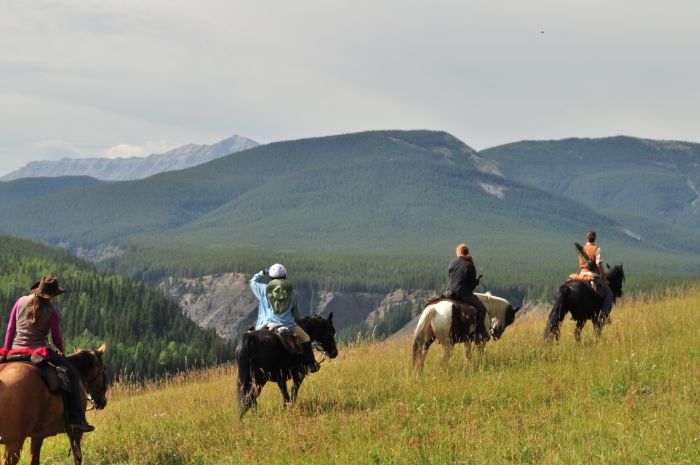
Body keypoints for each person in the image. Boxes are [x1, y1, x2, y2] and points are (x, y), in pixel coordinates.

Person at [3, 275, 95, 433]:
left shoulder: (20, 302)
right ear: (52, 295)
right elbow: (56, 337)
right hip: (38, 352)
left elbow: (10, 328)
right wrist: (61, 350)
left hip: (15, 350)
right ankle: (76, 419)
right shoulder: (52, 312)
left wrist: (6, 350)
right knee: (73, 375)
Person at [250, 264, 319, 373]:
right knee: (306, 338)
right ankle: (311, 364)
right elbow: (296, 315)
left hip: (266, 325)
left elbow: (253, 282)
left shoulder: (264, 290)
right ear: (285, 276)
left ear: (271, 277)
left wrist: (261, 273)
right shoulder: (292, 294)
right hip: (288, 326)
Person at [444, 243, 490, 342]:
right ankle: (479, 334)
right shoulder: (470, 265)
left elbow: (451, 279)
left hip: (448, 293)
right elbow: (472, 286)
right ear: (466, 252)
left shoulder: (452, 262)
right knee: (482, 309)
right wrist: (476, 282)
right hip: (462, 294)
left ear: (459, 252)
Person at [578, 230, 614, 322]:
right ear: (595, 238)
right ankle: (604, 314)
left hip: (582, 275)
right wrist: (604, 279)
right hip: (593, 276)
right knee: (609, 294)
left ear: (587, 238)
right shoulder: (597, 249)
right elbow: (599, 265)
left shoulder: (581, 249)